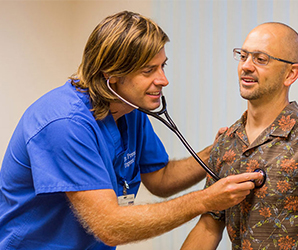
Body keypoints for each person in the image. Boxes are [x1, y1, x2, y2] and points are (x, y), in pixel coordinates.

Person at [0, 11, 263, 249]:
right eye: (149, 70)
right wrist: (206, 200)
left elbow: (160, 179)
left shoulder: (128, 109)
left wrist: (215, 151)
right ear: (112, 74)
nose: (163, 80)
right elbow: (110, 227)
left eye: (163, 66)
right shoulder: (64, 124)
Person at [181, 22, 298, 250]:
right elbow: (208, 227)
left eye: (261, 59)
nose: (246, 66)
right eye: (243, 56)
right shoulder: (226, 143)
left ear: (291, 74)